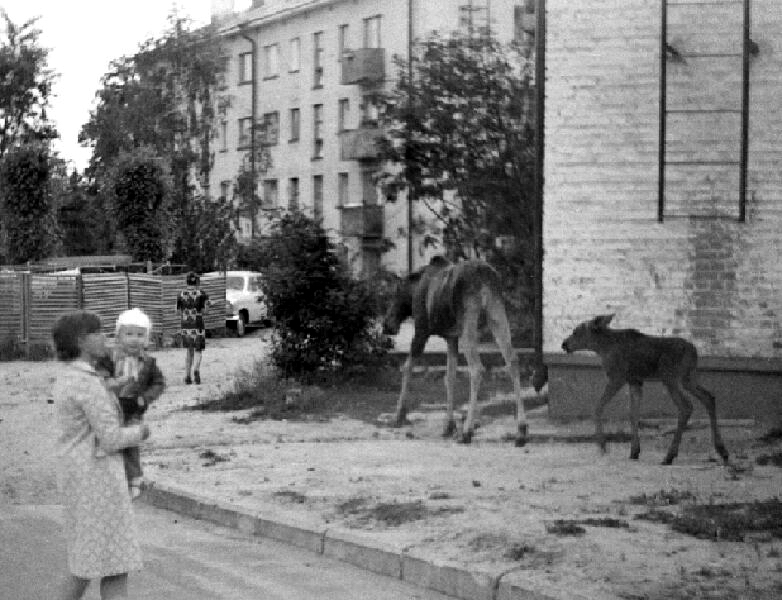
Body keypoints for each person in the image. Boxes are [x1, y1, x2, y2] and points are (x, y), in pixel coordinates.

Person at [51, 310, 150, 600]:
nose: (105, 338)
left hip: (80, 477)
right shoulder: (87, 382)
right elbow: (110, 439)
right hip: (98, 480)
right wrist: (140, 433)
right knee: (113, 566)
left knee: (87, 564)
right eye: (98, 332)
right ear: (82, 340)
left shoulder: (71, 377)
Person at [103, 308, 165, 498]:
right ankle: (112, 480)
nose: (134, 339)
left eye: (140, 335)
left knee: (130, 443)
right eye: (128, 334)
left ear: (146, 338)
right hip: (111, 409)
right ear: (119, 336)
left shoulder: (149, 363)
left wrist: (145, 398)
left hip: (134, 410)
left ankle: (134, 478)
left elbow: (159, 383)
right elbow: (101, 378)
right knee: (110, 444)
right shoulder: (110, 359)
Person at [175, 271, 209, 385]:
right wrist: (208, 305)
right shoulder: (202, 294)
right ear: (197, 282)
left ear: (187, 281)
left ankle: (187, 377)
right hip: (198, 323)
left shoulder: (180, 294)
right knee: (198, 349)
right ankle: (196, 370)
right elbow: (205, 312)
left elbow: (177, 312)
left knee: (189, 350)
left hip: (186, 324)